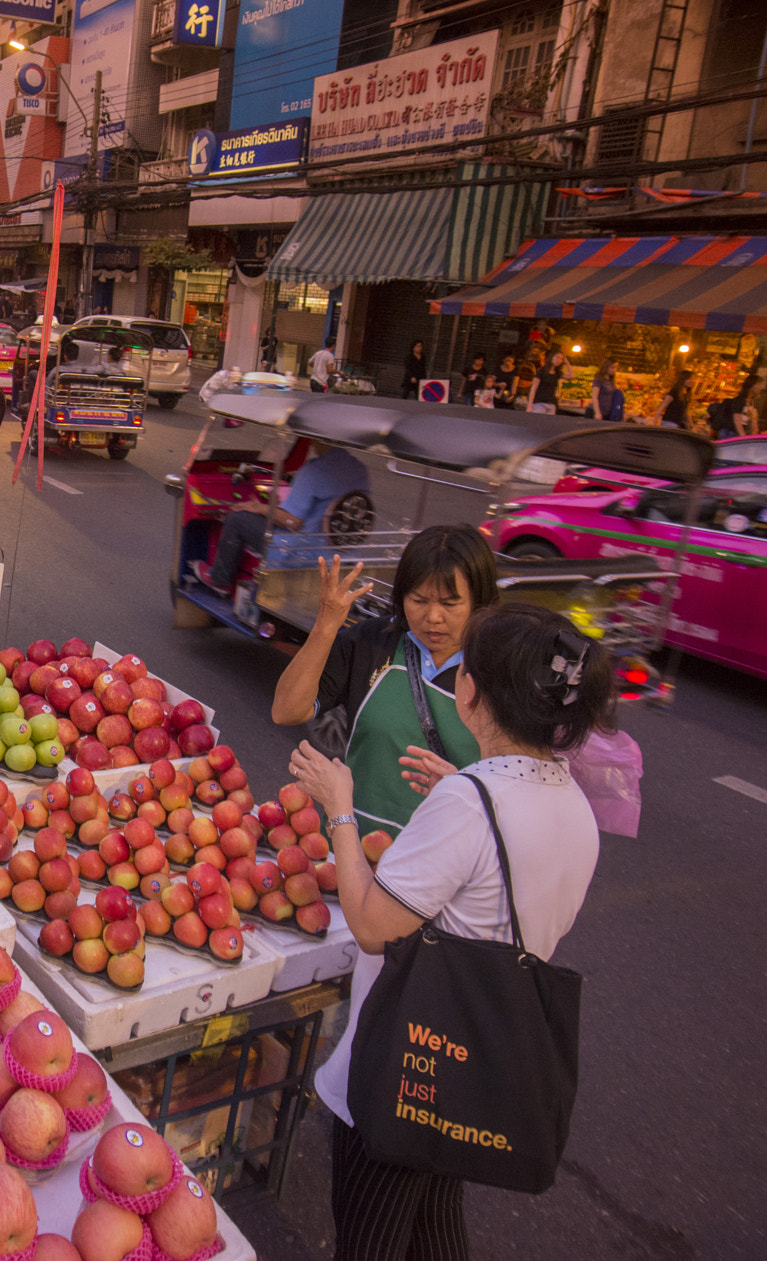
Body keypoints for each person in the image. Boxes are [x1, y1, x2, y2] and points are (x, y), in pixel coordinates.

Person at [289, 602, 607, 1261]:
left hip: (410, 1058)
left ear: (470, 690)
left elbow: (374, 925)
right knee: (435, 1223)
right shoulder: (573, 803)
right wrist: (461, 785)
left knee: (371, 1238)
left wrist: (340, 809)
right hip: (477, 1055)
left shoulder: (470, 802)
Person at [270, 526, 497, 834]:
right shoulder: (373, 642)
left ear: (478, 601)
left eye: (450, 603)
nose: (433, 617)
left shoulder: (500, 669)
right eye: (419, 600)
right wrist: (326, 625)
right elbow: (286, 710)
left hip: (443, 863)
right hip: (351, 850)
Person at [192, 440, 370, 596]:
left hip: (300, 552)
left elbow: (292, 520)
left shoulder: (314, 471)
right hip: (342, 552)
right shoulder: (360, 469)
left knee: (237, 518)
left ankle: (220, 579)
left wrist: (260, 508)